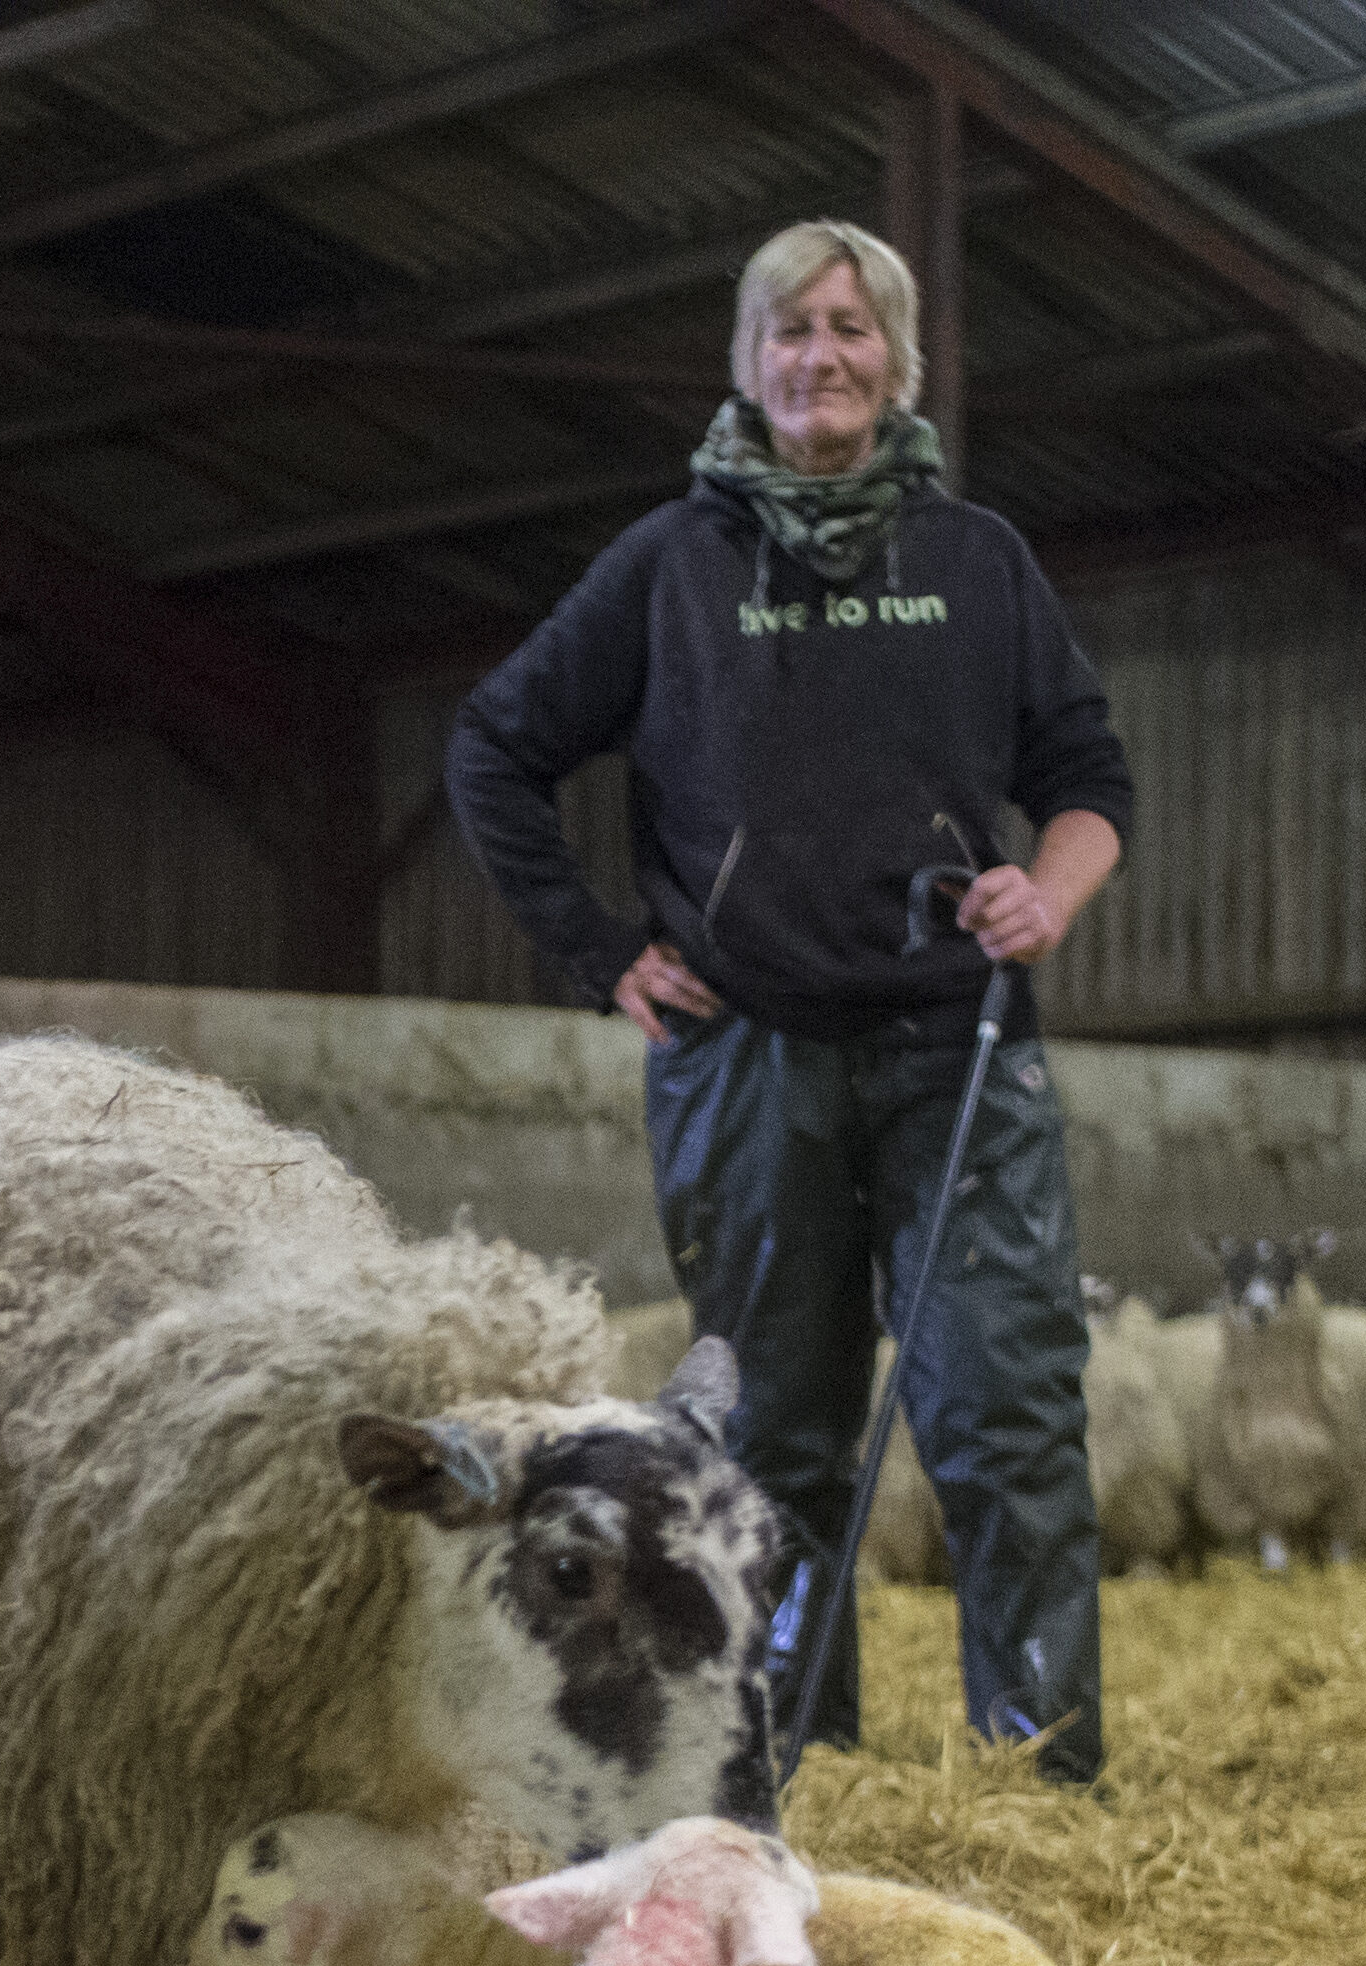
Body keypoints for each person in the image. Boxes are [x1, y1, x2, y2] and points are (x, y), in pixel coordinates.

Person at [448, 218, 1131, 1786]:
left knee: (1005, 1415)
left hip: (953, 1053)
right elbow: (494, 748)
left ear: (894, 359)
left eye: (848, 328)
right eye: (788, 332)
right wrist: (596, 948)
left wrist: (1054, 891)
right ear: (748, 365)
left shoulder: (977, 563)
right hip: (744, 1060)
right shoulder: (671, 567)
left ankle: (1038, 1770)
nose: (819, 357)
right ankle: (785, 1762)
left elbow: (1085, 779)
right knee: (774, 1445)